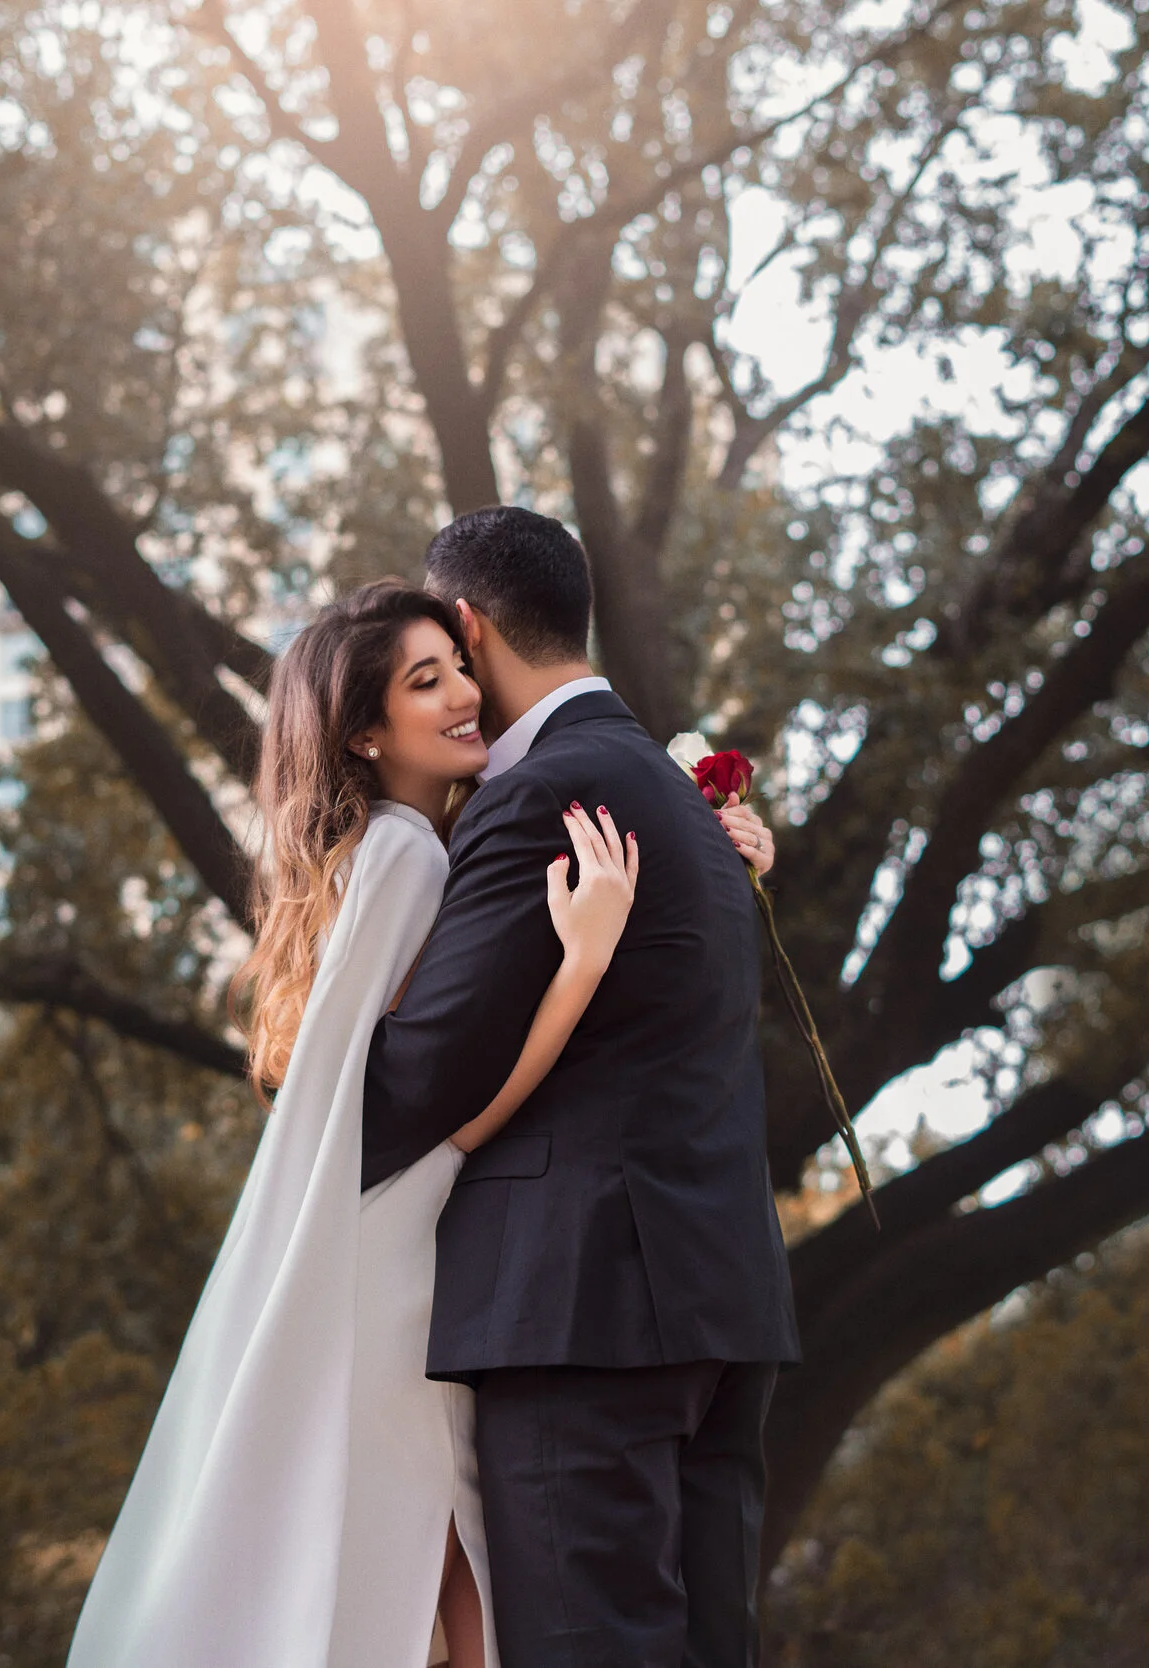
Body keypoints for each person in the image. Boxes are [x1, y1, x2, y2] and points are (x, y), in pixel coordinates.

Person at [68, 576, 778, 1668]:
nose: (461, 696)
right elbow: (434, 1109)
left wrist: (704, 845)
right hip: (396, 1253)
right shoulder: (405, 856)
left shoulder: (418, 844)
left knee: (436, 1588)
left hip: (415, 1246)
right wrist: (582, 962)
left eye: (455, 667)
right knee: (445, 1584)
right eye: (424, 681)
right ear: (362, 731)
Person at [363, 507, 801, 1668]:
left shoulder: (541, 793)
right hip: (721, 1304)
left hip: (581, 1315)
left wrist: (316, 1067)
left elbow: (415, 1078)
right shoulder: (682, 807)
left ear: (467, 623)